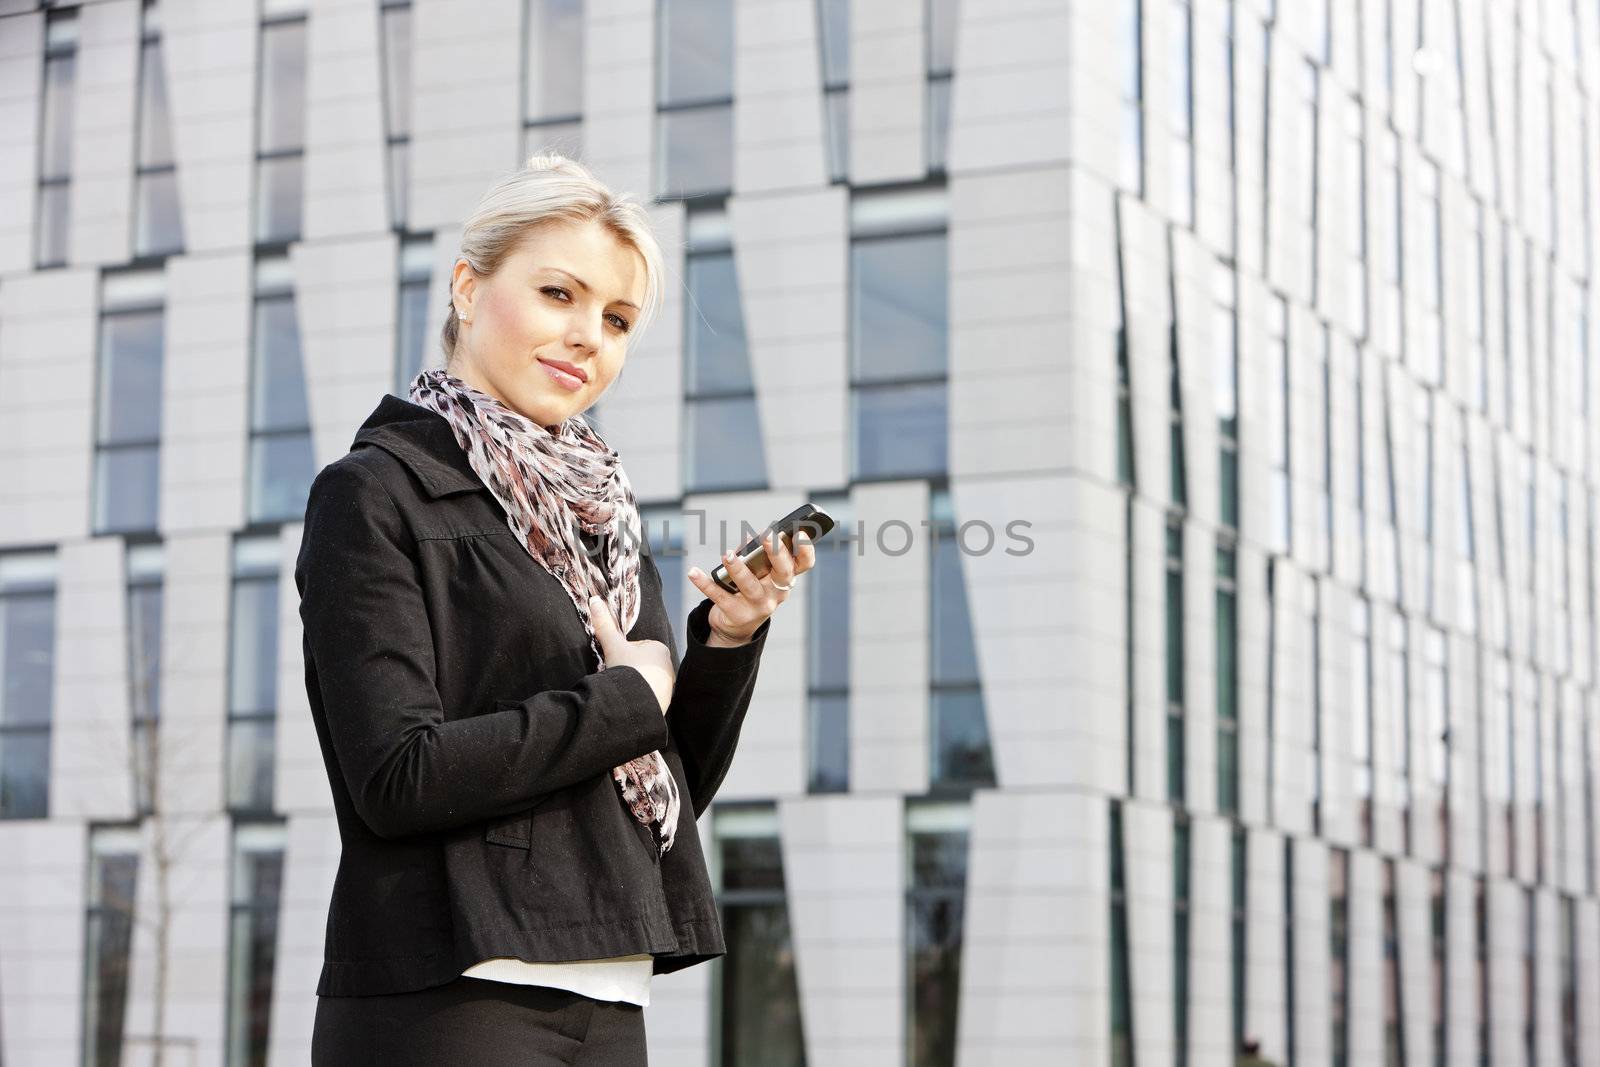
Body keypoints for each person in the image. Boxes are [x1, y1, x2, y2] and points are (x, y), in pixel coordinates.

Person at [299, 152, 814, 1065]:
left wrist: (727, 644)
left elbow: (662, 785)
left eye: (616, 319)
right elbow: (397, 776)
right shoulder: (375, 493)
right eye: (557, 294)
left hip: (609, 994)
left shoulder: (601, 515)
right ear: (468, 287)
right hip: (451, 998)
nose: (588, 336)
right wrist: (622, 696)